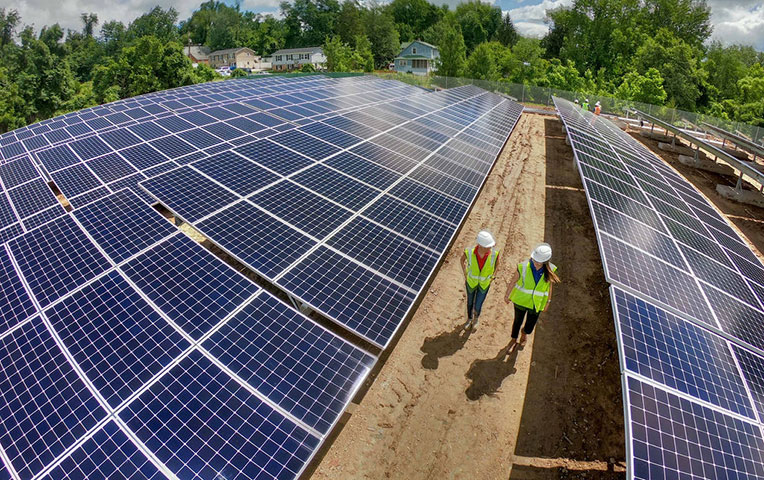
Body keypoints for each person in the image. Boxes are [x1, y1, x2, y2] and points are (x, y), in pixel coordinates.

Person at [505, 243, 560, 351]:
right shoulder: (522, 266)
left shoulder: (551, 269)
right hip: (520, 301)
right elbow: (513, 281)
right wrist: (507, 295)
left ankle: (524, 333)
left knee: (530, 325)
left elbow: (549, 287)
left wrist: (548, 302)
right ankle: (513, 338)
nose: (537, 264)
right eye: (535, 260)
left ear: (546, 261)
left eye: (540, 262)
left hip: (536, 303)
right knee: (517, 321)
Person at [461, 231, 499, 330]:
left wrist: (493, 277)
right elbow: (462, 260)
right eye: (488, 246)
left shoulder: (494, 254)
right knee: (470, 302)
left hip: (484, 284)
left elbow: (497, 264)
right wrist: (465, 273)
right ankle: (469, 319)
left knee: (478, 303)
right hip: (471, 282)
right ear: (481, 246)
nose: (490, 248)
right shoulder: (469, 252)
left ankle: (476, 319)